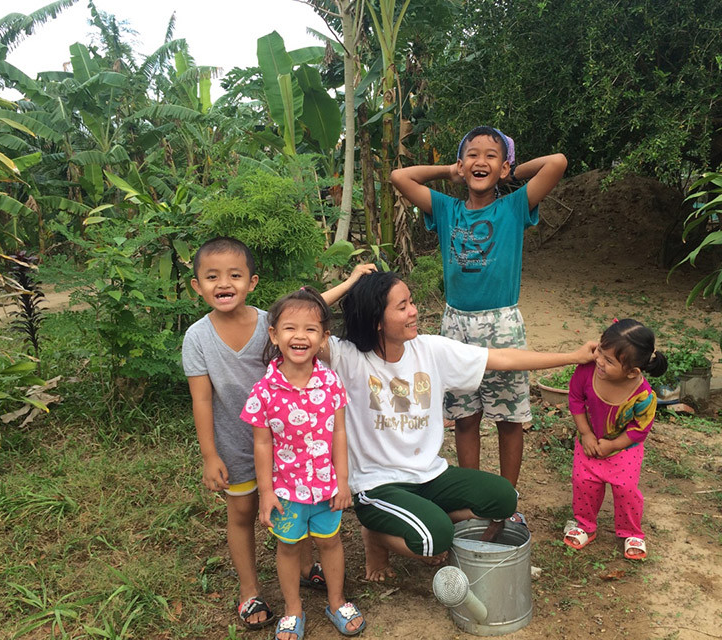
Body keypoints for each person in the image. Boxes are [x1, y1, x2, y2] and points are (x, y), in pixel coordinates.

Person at [322, 271, 596, 581]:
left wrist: (573, 356)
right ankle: (375, 535)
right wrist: (351, 284)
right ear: (377, 320)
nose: (414, 311)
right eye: (402, 307)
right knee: (435, 538)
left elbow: (503, 358)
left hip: (430, 474)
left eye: (411, 302)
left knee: (504, 497)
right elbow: (296, 318)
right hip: (378, 484)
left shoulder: (430, 349)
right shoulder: (347, 357)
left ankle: (421, 519)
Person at [182, 236, 375, 629]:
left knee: (294, 512)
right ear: (196, 286)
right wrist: (209, 454)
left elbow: (310, 309)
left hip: (294, 447)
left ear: (251, 282)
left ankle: (307, 570)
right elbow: (202, 400)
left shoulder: (271, 322)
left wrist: (354, 277)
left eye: (234, 275)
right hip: (238, 444)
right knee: (242, 513)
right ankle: (249, 591)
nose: (224, 284)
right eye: (213, 276)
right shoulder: (197, 338)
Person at [390, 126, 567, 524]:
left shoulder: (514, 207)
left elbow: (557, 163)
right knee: (465, 417)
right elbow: (400, 177)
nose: (480, 162)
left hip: (502, 324)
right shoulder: (447, 209)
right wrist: (449, 171)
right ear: (461, 163)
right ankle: (474, 502)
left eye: (491, 155)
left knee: (508, 417)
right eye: (472, 154)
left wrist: (515, 172)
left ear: (503, 167)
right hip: (456, 325)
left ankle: (506, 503)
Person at [241, 288, 365, 640]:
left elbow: (339, 434)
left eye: (311, 329)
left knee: (331, 542)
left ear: (324, 337)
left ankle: (337, 601)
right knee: (288, 547)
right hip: (287, 491)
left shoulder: (331, 383)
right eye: (290, 328)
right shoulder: (264, 391)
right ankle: (293, 609)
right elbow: (262, 443)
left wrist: (343, 482)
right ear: (274, 335)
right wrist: (266, 493)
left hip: (327, 488)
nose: (300, 336)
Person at [562, 319, 668, 561]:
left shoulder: (643, 396)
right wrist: (586, 434)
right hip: (589, 441)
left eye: (609, 361)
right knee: (584, 481)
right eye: (601, 350)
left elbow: (640, 429)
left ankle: (632, 532)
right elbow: (576, 400)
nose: (599, 360)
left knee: (626, 489)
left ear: (632, 372)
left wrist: (613, 445)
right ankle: (585, 525)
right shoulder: (586, 373)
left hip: (623, 448)